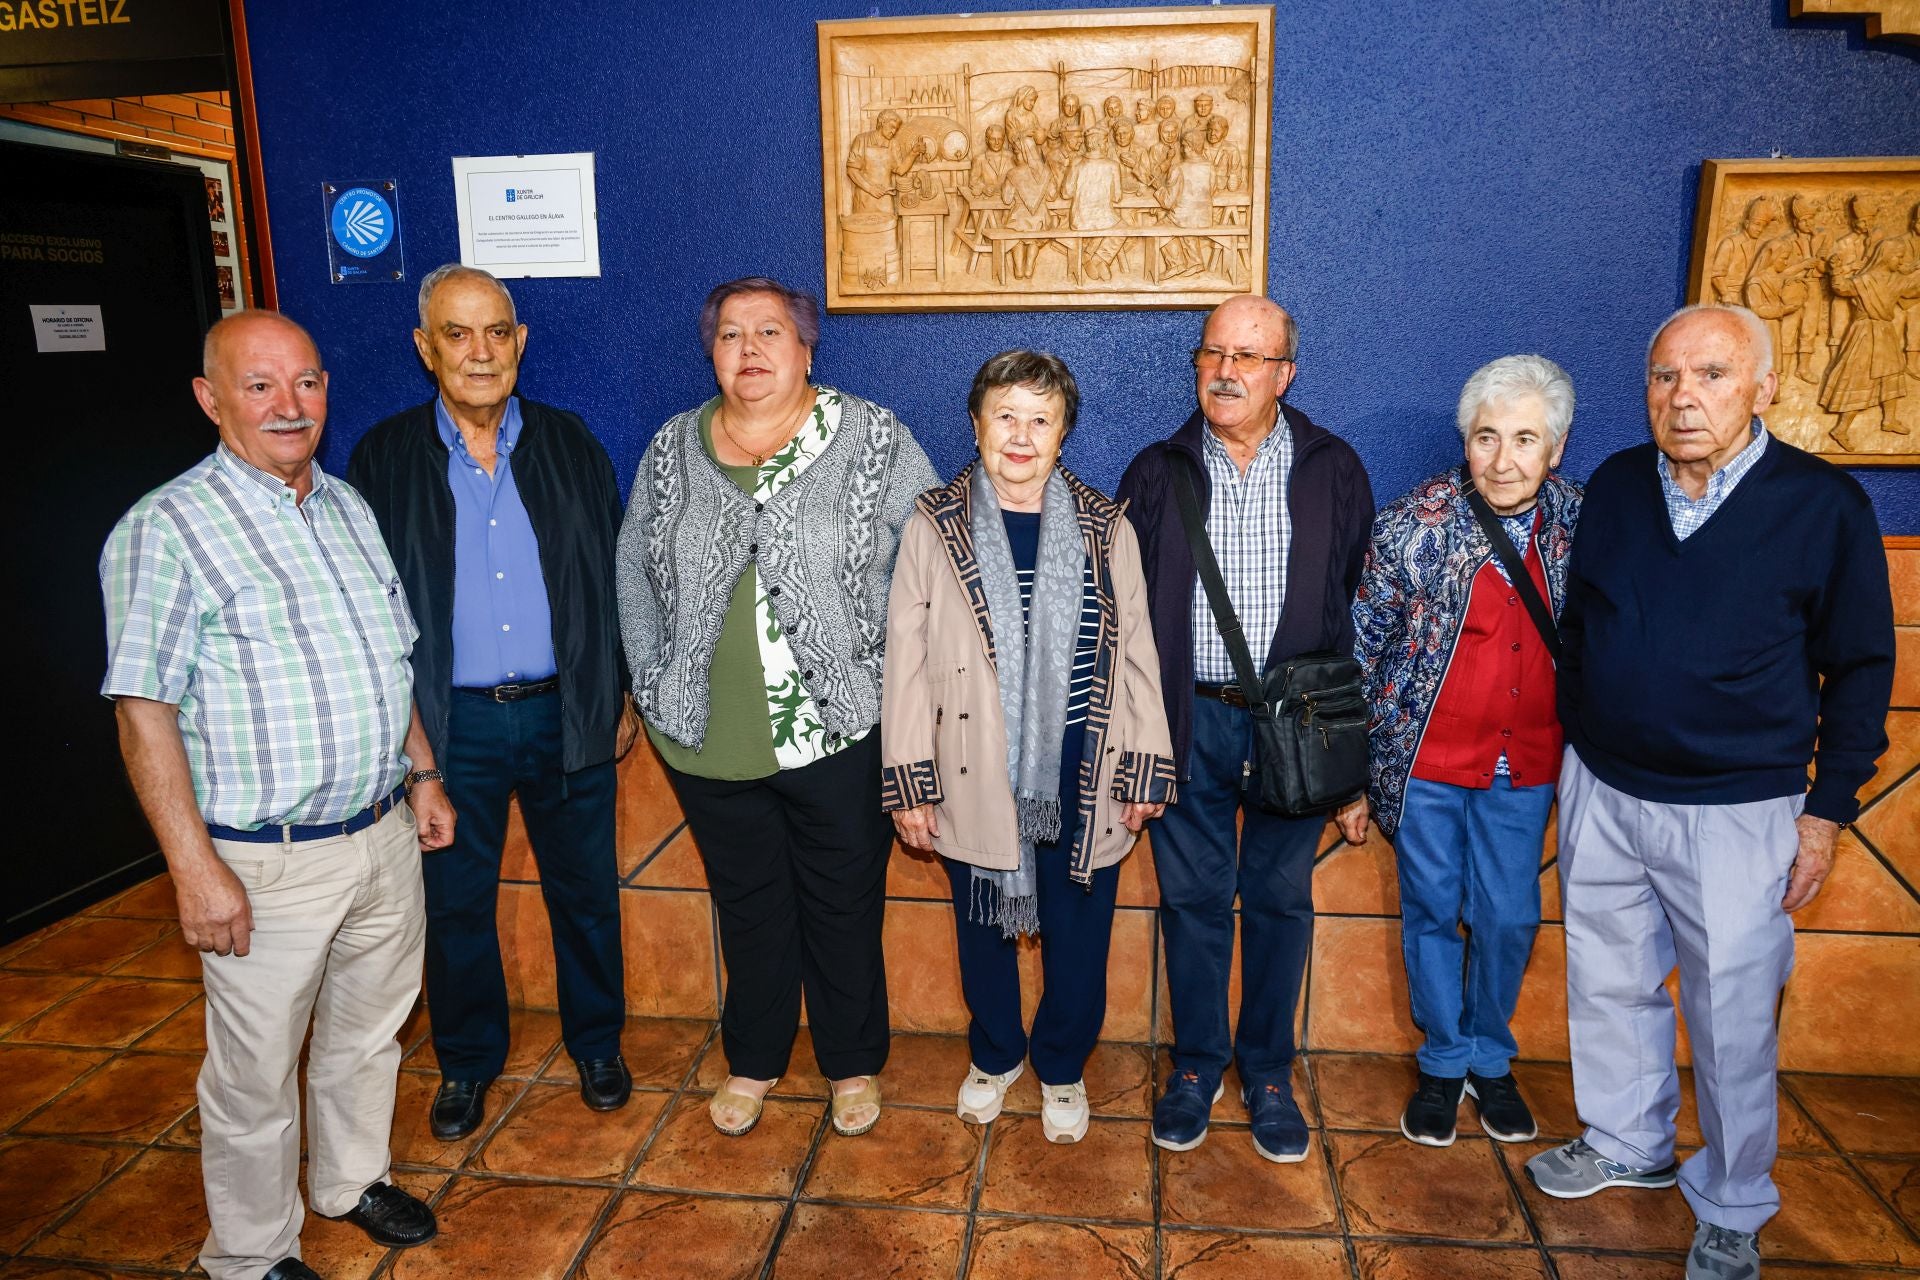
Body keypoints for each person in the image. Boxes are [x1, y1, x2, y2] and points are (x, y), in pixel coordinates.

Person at [1525, 304, 1895, 1280]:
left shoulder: (1824, 507)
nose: (1684, 396)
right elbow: (1585, 626)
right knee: (1607, 978)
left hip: (1740, 806)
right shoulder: (1612, 484)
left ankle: (1732, 1196)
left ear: (1764, 387)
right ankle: (1628, 1139)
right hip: (1604, 784)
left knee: (1732, 1011)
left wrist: (1828, 811)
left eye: (1713, 374)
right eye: (1664, 376)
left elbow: (1860, 666)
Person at [101, 311, 451, 1280]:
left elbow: (392, 659)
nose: (289, 406)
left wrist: (420, 772)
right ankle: (250, 1255)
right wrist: (192, 867)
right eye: (260, 386)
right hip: (264, 858)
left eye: (305, 382)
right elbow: (143, 712)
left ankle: (348, 1180)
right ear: (212, 400)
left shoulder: (347, 507)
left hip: (380, 834)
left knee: (367, 1030)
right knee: (253, 1077)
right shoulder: (166, 528)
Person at [615, 277, 937, 1139]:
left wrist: (909, 696)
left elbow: (930, 568)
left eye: (769, 332)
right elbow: (634, 575)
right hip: (707, 738)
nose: (749, 350)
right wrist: (651, 682)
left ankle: (852, 1064)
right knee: (749, 905)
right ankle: (754, 1060)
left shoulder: (873, 438)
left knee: (843, 904)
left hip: (841, 728)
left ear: (807, 347)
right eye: (730, 334)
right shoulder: (670, 449)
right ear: (711, 352)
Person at [347, 264, 633, 1143]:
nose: (481, 351)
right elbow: (370, 607)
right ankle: (467, 1063)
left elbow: (614, 578)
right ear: (425, 347)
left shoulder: (570, 441)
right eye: (458, 333)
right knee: (454, 902)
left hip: (565, 712)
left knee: (584, 892)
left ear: (521, 343)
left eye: (497, 332)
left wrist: (617, 690)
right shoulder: (383, 458)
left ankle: (597, 1044)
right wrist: (415, 747)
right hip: (451, 725)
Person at [883, 350, 1175, 1144]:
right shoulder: (931, 523)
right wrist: (909, 780)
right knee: (981, 920)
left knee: (1079, 928)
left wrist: (1146, 762)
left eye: (1040, 420)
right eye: (1005, 415)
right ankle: (995, 1052)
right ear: (976, 425)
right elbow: (903, 660)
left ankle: (1061, 1064)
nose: (1021, 435)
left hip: (1083, 767)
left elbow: (1140, 648)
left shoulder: (1105, 526)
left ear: (1063, 433)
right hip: (968, 764)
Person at [1117, 296, 1373, 1163]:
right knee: (1191, 903)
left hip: (1296, 729)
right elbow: (1124, 621)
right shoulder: (1158, 472)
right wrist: (1135, 747)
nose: (1227, 371)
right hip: (1189, 722)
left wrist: (1352, 763)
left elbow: (1352, 606)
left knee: (1277, 902)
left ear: (1284, 374)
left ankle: (1268, 1073)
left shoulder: (1334, 468)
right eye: (1214, 353)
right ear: (1197, 365)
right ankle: (1195, 1069)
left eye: (1250, 357)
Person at [1346, 355, 1582, 1149]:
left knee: (1511, 917)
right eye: (1487, 437)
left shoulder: (1587, 525)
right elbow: (1363, 646)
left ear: (1556, 448)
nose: (1504, 459)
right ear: (1466, 441)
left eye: (1525, 439)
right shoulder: (1414, 521)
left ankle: (1492, 1056)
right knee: (1432, 913)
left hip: (1530, 765)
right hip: (1429, 764)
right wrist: (1356, 761)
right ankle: (1445, 1062)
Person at [1069, 126, 1125, 281]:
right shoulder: (1112, 165)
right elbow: (1118, 198)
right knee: (1122, 228)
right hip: (1104, 219)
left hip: (1079, 220)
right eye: (1106, 142)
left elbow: (1066, 192)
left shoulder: (1076, 163)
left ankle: (1092, 258)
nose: (1107, 145)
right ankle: (1101, 258)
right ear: (1099, 144)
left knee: (1105, 224)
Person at [1002, 136, 1052, 282]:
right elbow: (1052, 195)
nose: (1014, 156)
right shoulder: (1046, 172)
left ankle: (1018, 268)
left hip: (1018, 218)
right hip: (1041, 219)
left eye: (1016, 152)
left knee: (1017, 237)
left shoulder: (1013, 173)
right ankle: (1029, 267)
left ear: (1024, 153)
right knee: (1034, 237)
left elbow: (1006, 199)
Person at [969, 124, 1014, 198]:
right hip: (988, 202)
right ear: (987, 140)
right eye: (993, 139)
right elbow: (973, 181)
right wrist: (983, 188)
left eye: (999, 139)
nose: (997, 142)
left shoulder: (1011, 157)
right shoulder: (979, 159)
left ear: (1004, 139)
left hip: (1009, 200)